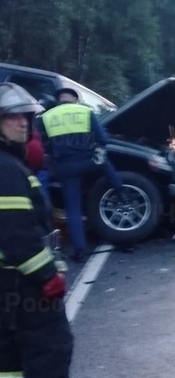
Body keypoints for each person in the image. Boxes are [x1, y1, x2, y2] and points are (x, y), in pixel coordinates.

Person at [0, 82, 73, 378]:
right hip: (25, 286)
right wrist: (46, 276)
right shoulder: (6, 169)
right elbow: (15, 234)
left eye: (26, 117)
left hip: (10, 287)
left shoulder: (11, 164)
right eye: (12, 117)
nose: (23, 123)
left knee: (9, 363)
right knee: (51, 354)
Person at [37, 87, 123, 263]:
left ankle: (80, 250)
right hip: (89, 163)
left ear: (58, 99)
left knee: (73, 210)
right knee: (104, 161)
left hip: (66, 169)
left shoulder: (46, 117)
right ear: (75, 99)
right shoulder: (85, 111)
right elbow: (103, 140)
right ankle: (120, 191)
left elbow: (42, 146)